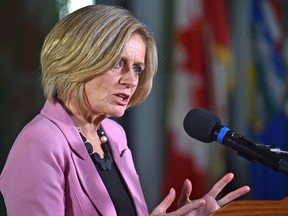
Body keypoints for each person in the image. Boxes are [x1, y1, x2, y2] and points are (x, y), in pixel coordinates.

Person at [0, 4, 250, 216]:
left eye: (137, 69)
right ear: (76, 61)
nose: (131, 80)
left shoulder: (113, 134)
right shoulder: (41, 142)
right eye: (118, 63)